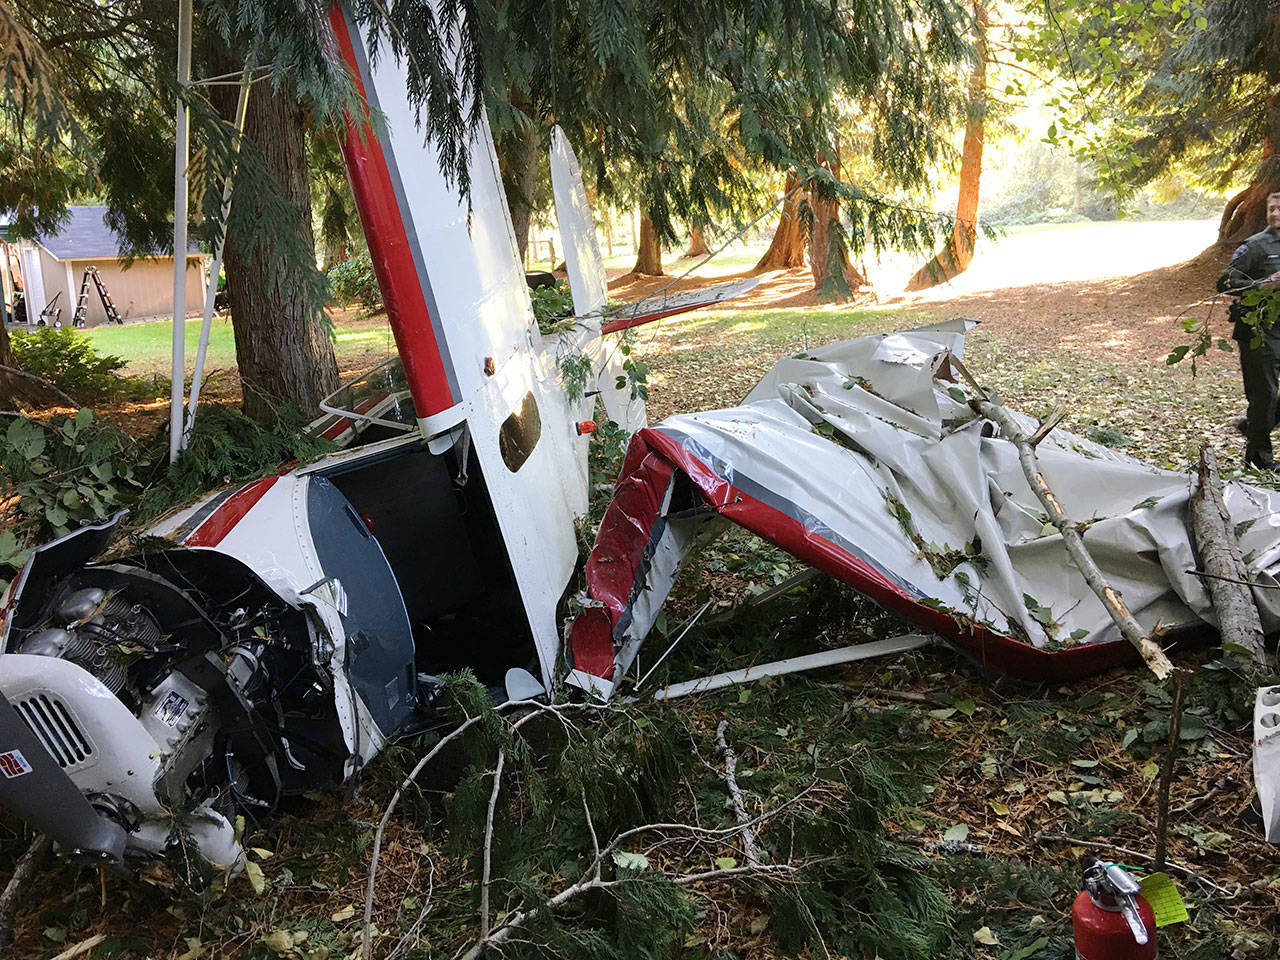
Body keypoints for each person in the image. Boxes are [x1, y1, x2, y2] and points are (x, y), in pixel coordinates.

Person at [1218, 190, 1280, 470]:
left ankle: (1255, 425)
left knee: (1266, 404)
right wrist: (1261, 285)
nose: (1275, 214)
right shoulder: (1255, 246)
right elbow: (1225, 283)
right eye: (1272, 209)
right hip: (1257, 330)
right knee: (1264, 394)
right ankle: (1259, 461)